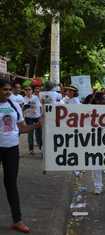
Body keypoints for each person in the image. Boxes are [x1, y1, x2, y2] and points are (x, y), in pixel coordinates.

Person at [0, 78, 41, 233]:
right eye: (5, 89)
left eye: (9, 89)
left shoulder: (13, 104)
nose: (8, 92)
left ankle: (17, 220)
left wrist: (37, 125)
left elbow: (22, 129)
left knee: (11, 184)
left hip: (12, 149)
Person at [23, 86, 42, 155]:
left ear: (32, 91)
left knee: (39, 133)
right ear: (24, 91)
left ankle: (41, 147)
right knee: (30, 133)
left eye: (29, 89)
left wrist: (41, 116)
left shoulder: (36, 97)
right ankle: (31, 149)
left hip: (37, 117)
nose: (28, 91)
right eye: (26, 89)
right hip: (29, 118)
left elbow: (40, 107)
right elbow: (25, 108)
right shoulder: (23, 99)